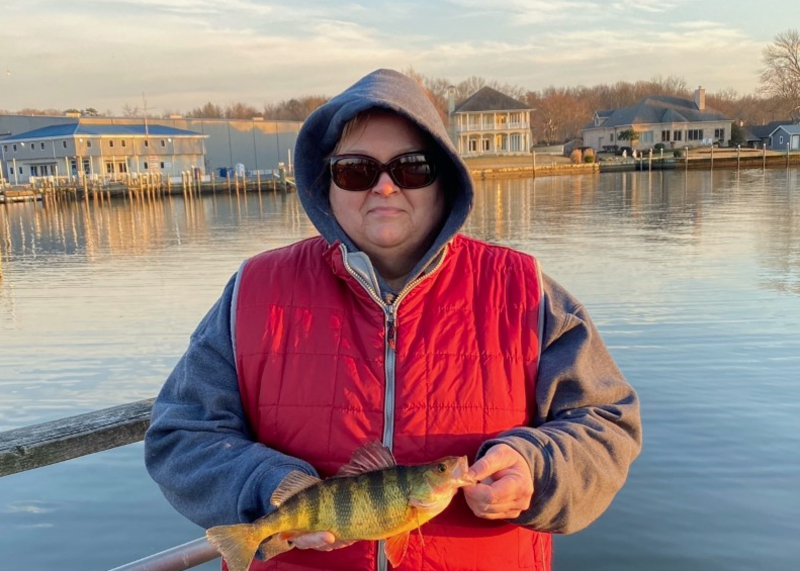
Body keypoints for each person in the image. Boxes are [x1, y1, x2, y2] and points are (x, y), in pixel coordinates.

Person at [145, 68, 642, 571]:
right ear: (327, 183)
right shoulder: (252, 292)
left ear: (444, 179)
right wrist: (267, 489)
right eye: (357, 171)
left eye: (412, 168)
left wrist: (536, 469)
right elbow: (180, 437)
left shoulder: (528, 292)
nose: (384, 188)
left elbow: (607, 425)